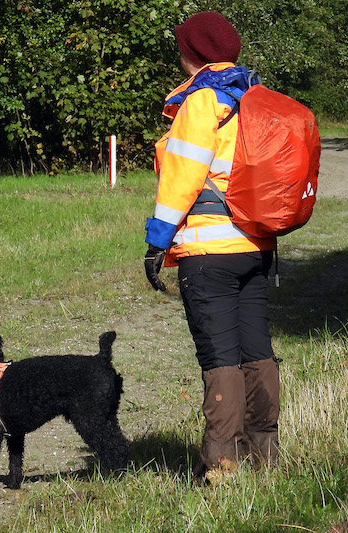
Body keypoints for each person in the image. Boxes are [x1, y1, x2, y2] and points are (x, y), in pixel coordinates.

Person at [143, 11, 280, 482]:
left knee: (219, 355)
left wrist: (157, 241)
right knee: (257, 350)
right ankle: (265, 456)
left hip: (209, 251)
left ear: (192, 54)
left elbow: (182, 178)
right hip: (256, 244)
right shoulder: (254, 97)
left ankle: (222, 466)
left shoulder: (202, 101)